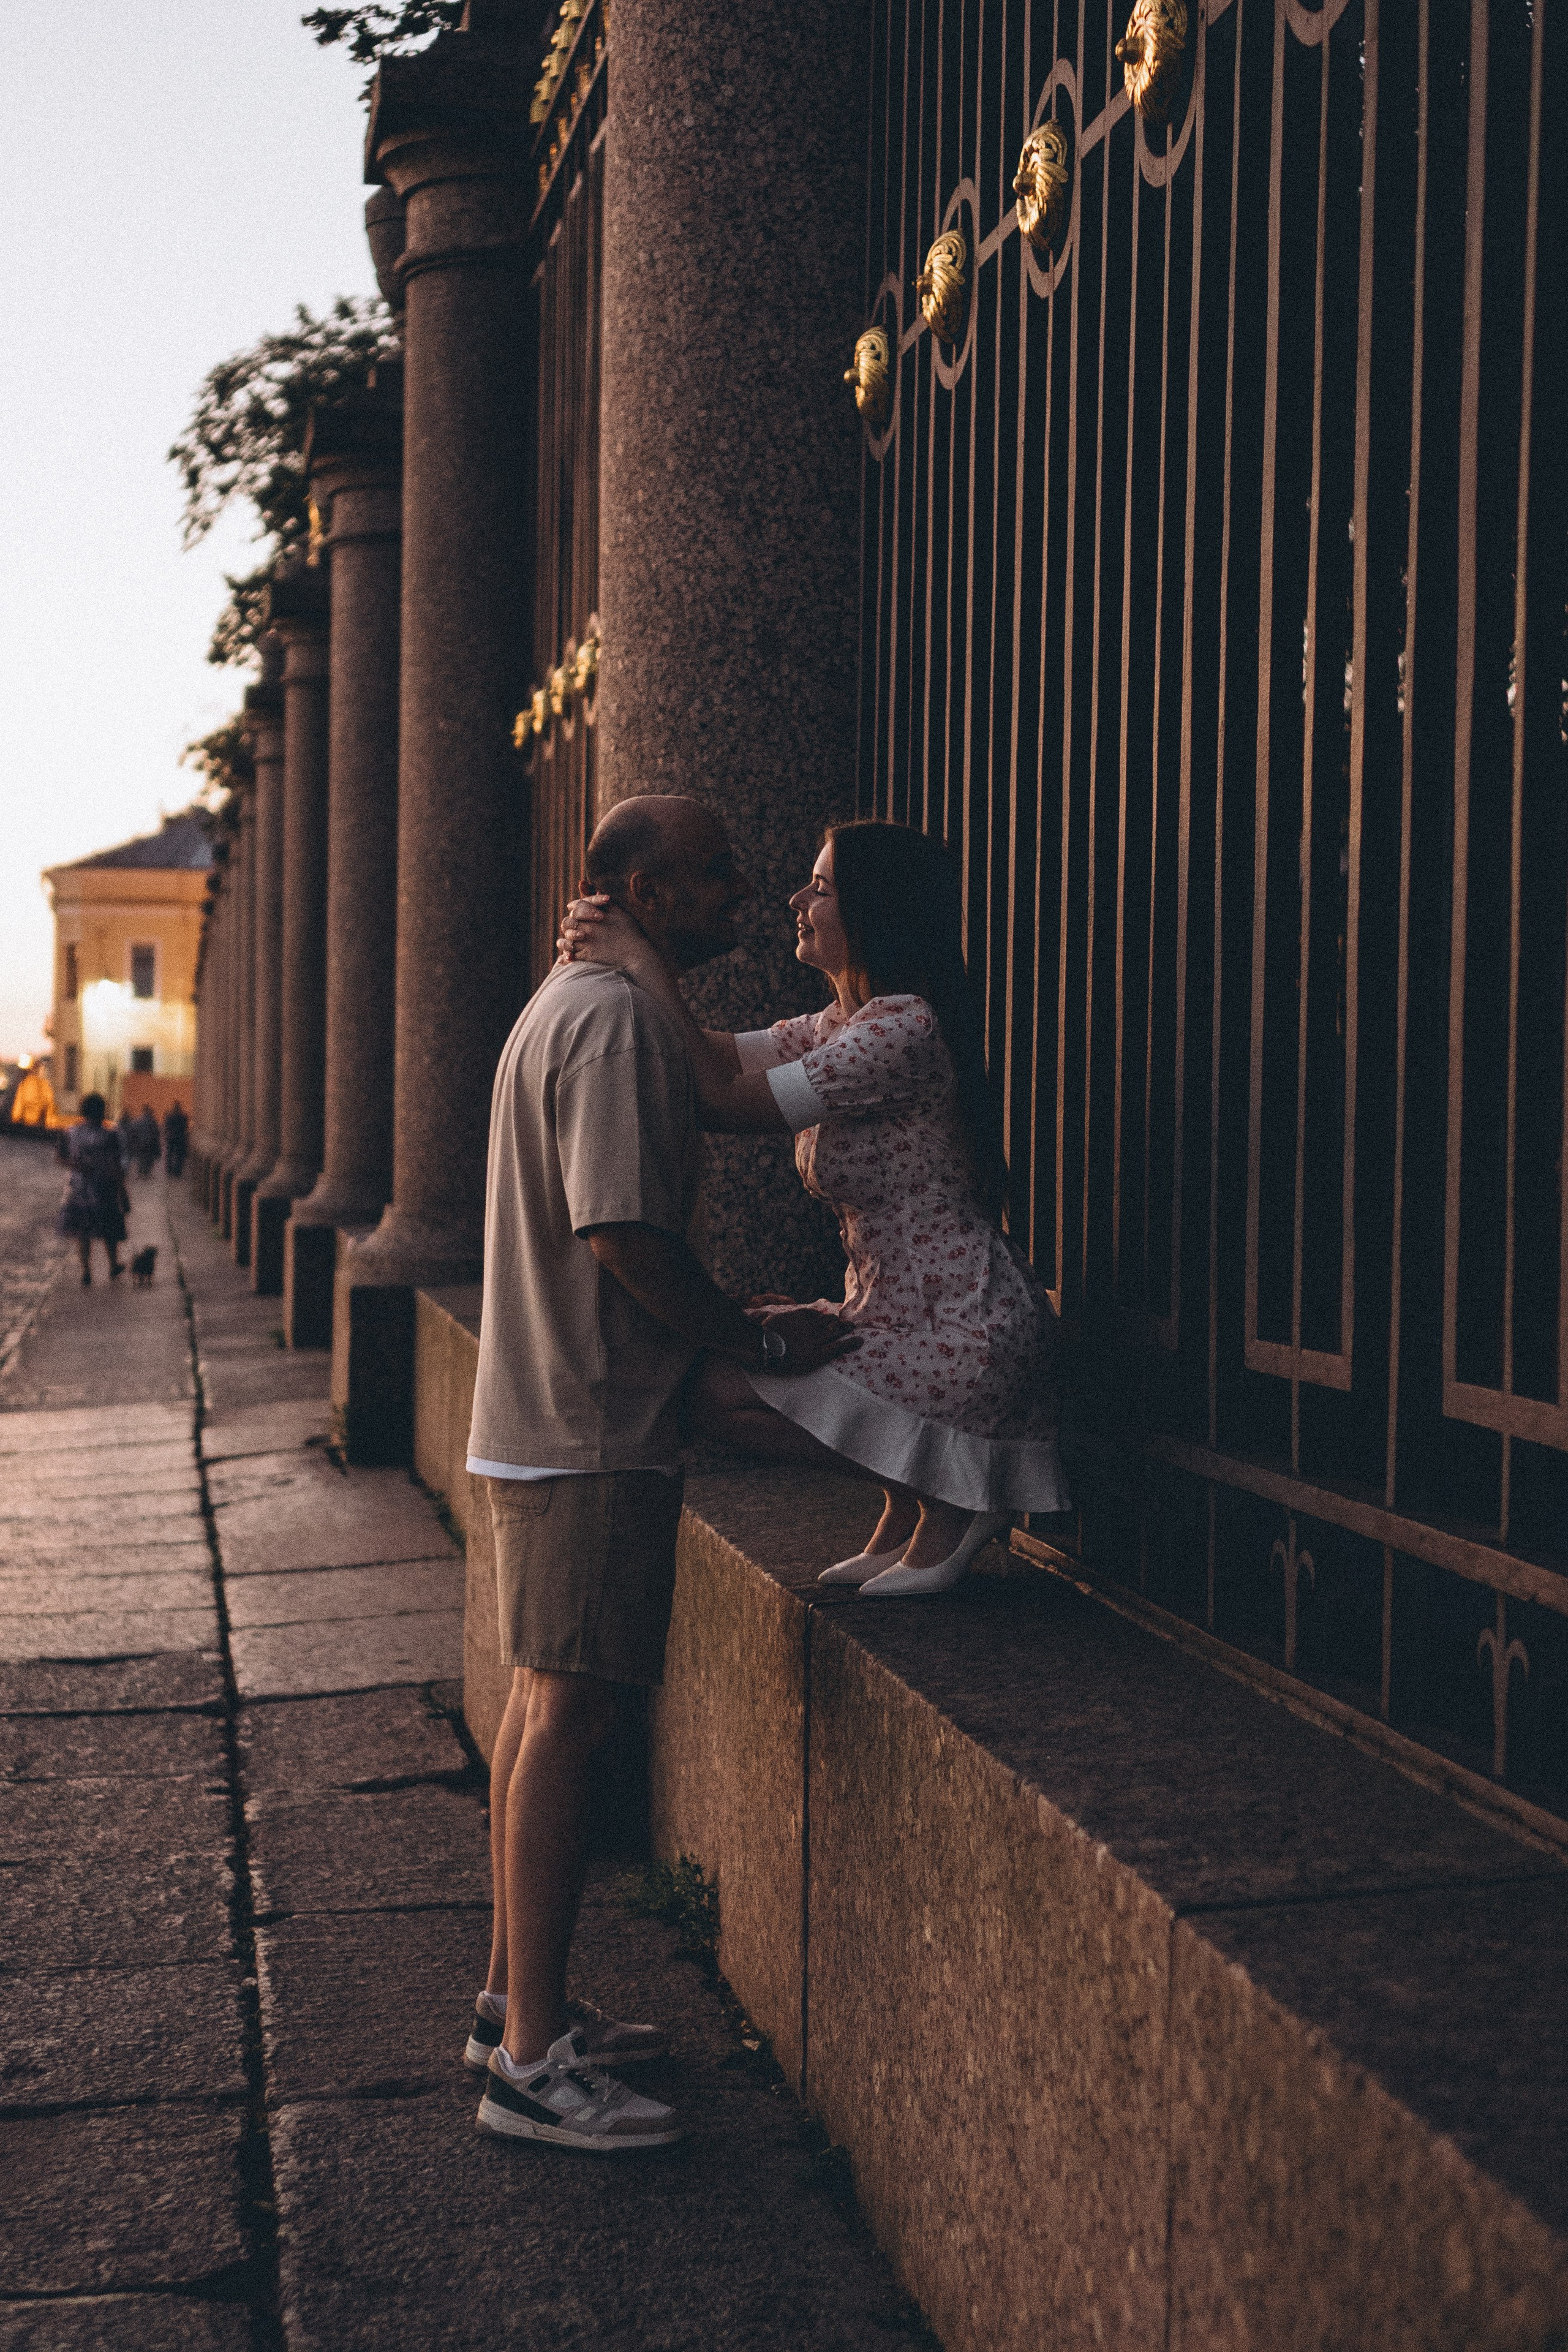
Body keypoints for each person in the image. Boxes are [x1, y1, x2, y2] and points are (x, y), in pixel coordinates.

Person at [466, 794, 858, 2154]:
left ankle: (519, 2001)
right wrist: (741, 1336)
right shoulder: (622, 1022)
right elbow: (623, 1231)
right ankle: (529, 2066)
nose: (738, 896)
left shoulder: (564, 1002)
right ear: (640, 886)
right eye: (708, 878)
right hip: (588, 1422)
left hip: (539, 1407)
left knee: (536, 1707)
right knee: (568, 1721)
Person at [560, 816, 1068, 1594]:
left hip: (966, 1329)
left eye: (822, 888)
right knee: (729, 1356)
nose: (798, 899)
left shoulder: (904, 1029)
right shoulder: (843, 1025)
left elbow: (721, 1099)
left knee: (717, 1391)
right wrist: (631, 958)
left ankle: (954, 1488)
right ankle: (913, 1490)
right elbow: (710, 1049)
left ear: (874, 910)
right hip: (901, 1313)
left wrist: (635, 955)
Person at [56, 1093, 130, 1285]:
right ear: (102, 1111)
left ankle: (86, 1271)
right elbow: (115, 1165)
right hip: (104, 1187)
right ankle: (113, 1264)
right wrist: (123, 1192)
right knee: (109, 1228)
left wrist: (77, 1165)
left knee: (83, 1232)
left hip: (78, 1189)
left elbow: (60, 1158)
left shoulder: (70, 1133)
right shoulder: (110, 1135)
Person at [131, 1105, 161, 1180]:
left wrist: (135, 1141)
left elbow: (134, 1131)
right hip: (150, 1142)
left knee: (141, 1158)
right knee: (149, 1158)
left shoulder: (139, 1120)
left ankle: (141, 1172)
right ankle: (147, 1173)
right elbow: (157, 1132)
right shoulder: (153, 1121)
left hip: (141, 1143)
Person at [163, 1100, 189, 1180]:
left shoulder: (170, 1116)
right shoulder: (183, 1117)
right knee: (180, 1156)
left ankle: (169, 1170)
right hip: (181, 1138)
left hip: (171, 1138)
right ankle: (177, 1171)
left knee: (170, 1155)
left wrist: (166, 1135)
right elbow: (186, 1128)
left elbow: (166, 1127)